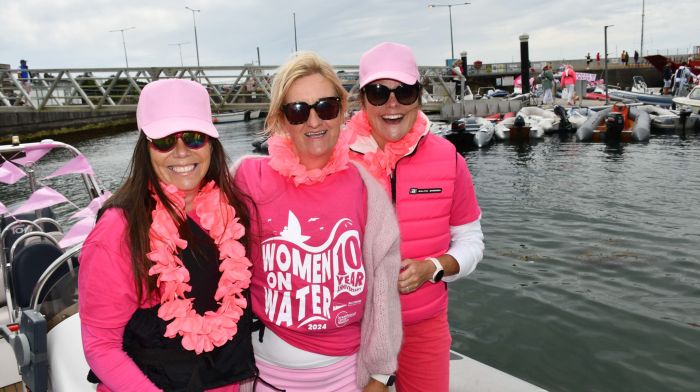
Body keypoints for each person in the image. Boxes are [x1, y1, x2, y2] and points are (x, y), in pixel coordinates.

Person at [232, 51, 402, 392]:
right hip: (264, 375)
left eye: (325, 107)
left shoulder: (367, 188)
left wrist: (381, 377)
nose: (314, 122)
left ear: (342, 110)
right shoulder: (246, 177)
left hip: (342, 379)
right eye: (298, 111)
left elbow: (384, 290)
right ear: (281, 119)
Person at [79, 79, 256, 391]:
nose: (181, 153)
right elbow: (100, 346)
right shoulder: (117, 230)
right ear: (145, 146)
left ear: (211, 143)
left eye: (193, 138)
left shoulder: (231, 212)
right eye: (163, 141)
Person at [344, 42, 484, 392]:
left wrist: (433, 267)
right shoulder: (336, 160)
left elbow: (471, 241)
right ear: (363, 100)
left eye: (403, 92)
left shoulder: (450, 159)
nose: (392, 105)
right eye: (378, 93)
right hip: (352, 328)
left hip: (423, 325)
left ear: (418, 97)